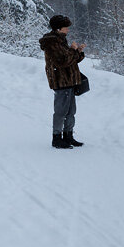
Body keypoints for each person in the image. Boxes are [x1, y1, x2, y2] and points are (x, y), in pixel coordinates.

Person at [39, 14, 87, 149]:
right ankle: (57, 138)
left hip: (69, 81)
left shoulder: (61, 40)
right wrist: (73, 51)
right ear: (59, 28)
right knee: (61, 111)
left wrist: (78, 52)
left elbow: (70, 59)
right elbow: (63, 61)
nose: (68, 29)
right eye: (66, 27)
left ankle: (68, 136)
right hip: (61, 81)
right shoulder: (52, 42)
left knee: (71, 110)